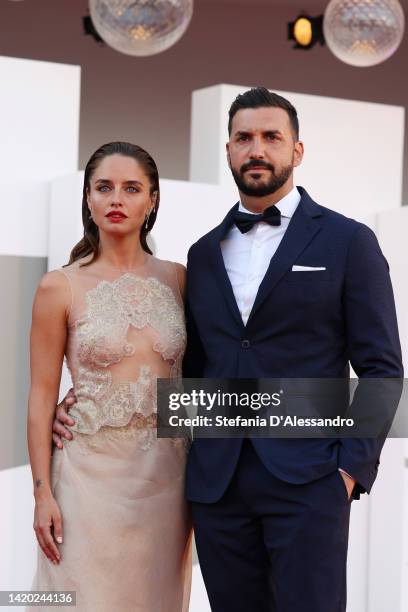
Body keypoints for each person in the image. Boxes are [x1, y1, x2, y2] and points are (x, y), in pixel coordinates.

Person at [53, 89, 403, 612]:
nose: (256, 148)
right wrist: (90, 401)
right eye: (244, 137)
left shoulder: (348, 242)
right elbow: (190, 366)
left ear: (297, 151)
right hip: (217, 485)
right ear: (229, 150)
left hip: (310, 481)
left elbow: (382, 368)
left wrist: (349, 473)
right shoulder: (202, 253)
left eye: (271, 137)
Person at [27, 142, 192, 612]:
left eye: (131, 188)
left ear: (153, 200)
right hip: (86, 481)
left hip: (167, 484)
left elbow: (199, 377)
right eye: (104, 187)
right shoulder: (60, 286)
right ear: (88, 198)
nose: (116, 199)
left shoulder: (180, 279)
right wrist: (41, 494)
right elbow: (41, 397)